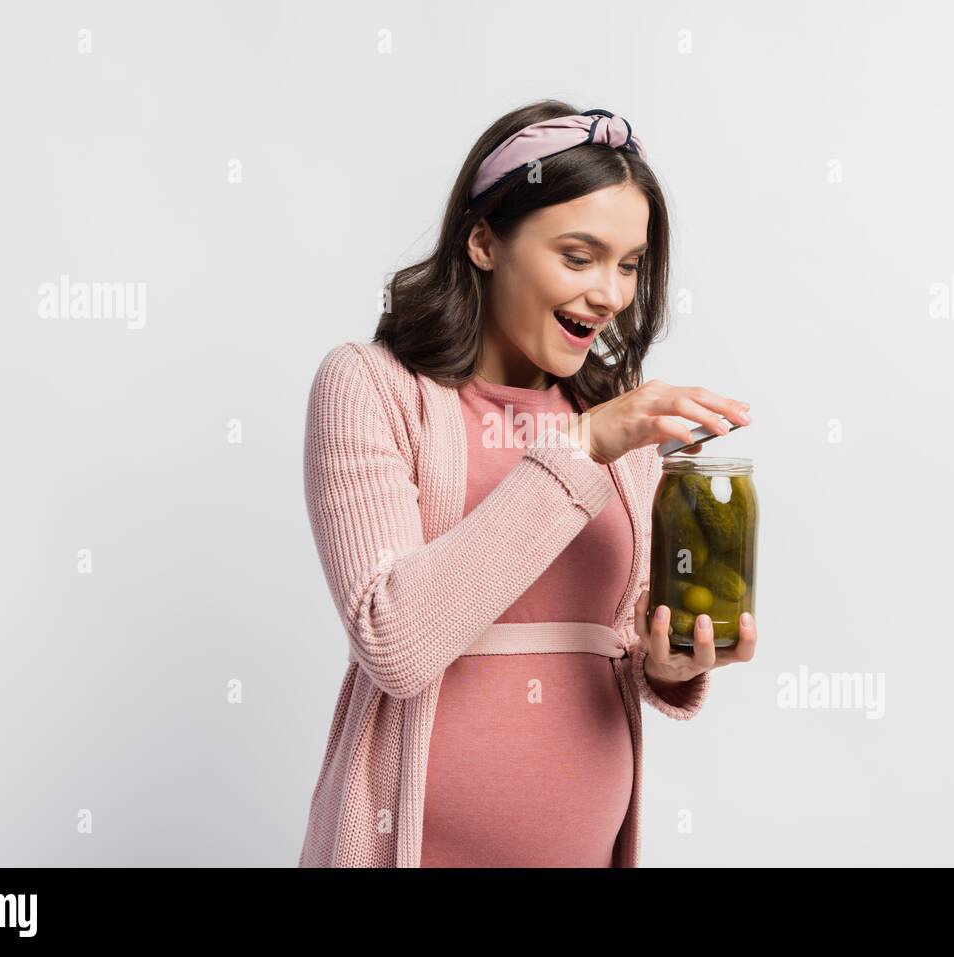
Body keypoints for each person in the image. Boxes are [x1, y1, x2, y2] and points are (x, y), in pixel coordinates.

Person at [297, 100, 759, 868]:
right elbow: (395, 640)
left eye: (629, 263)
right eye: (579, 257)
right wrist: (579, 448)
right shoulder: (371, 387)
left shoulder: (614, 416)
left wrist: (667, 663)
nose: (611, 293)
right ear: (483, 241)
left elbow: (614, 626)